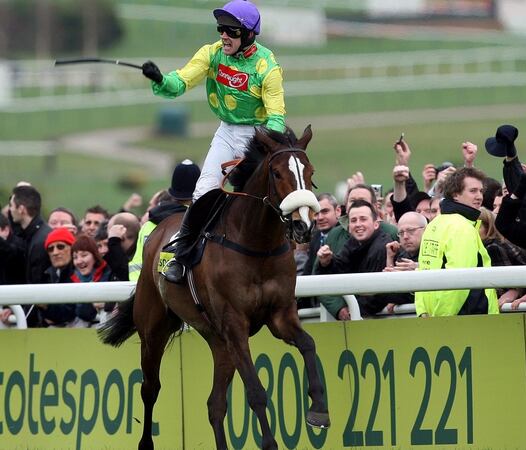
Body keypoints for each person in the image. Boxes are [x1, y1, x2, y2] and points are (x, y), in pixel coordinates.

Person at [141, 0, 286, 283]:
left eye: (230, 30)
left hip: (258, 137)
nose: (223, 35)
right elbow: (179, 83)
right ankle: (181, 258)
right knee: (204, 191)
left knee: (259, 198)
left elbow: (276, 117)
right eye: (220, 28)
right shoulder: (212, 54)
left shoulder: (268, 66)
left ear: (248, 34)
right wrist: (160, 78)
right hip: (226, 132)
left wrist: (267, 148)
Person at [415, 167, 499, 317]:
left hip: (433, 316)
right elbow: (459, 281)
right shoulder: (462, 227)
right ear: (455, 194)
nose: (479, 196)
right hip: (464, 319)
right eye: (473, 191)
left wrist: (422, 310)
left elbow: (422, 270)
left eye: (481, 191)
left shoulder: (434, 223)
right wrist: (443, 318)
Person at [316, 200, 394, 318]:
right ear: (348, 226)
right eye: (353, 220)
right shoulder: (353, 243)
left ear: (376, 223)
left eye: (363, 219)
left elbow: (376, 294)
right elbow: (339, 269)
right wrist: (326, 262)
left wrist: (352, 312)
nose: (358, 224)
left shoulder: (382, 246)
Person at [129, 160, 201, 281]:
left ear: (172, 193)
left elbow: (137, 266)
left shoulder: (148, 225)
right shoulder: (201, 223)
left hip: (144, 293)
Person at [8, 185, 51, 285]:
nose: (10, 210)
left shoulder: (40, 242)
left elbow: (37, 286)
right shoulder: (34, 236)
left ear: (21, 209)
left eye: (11, 205)